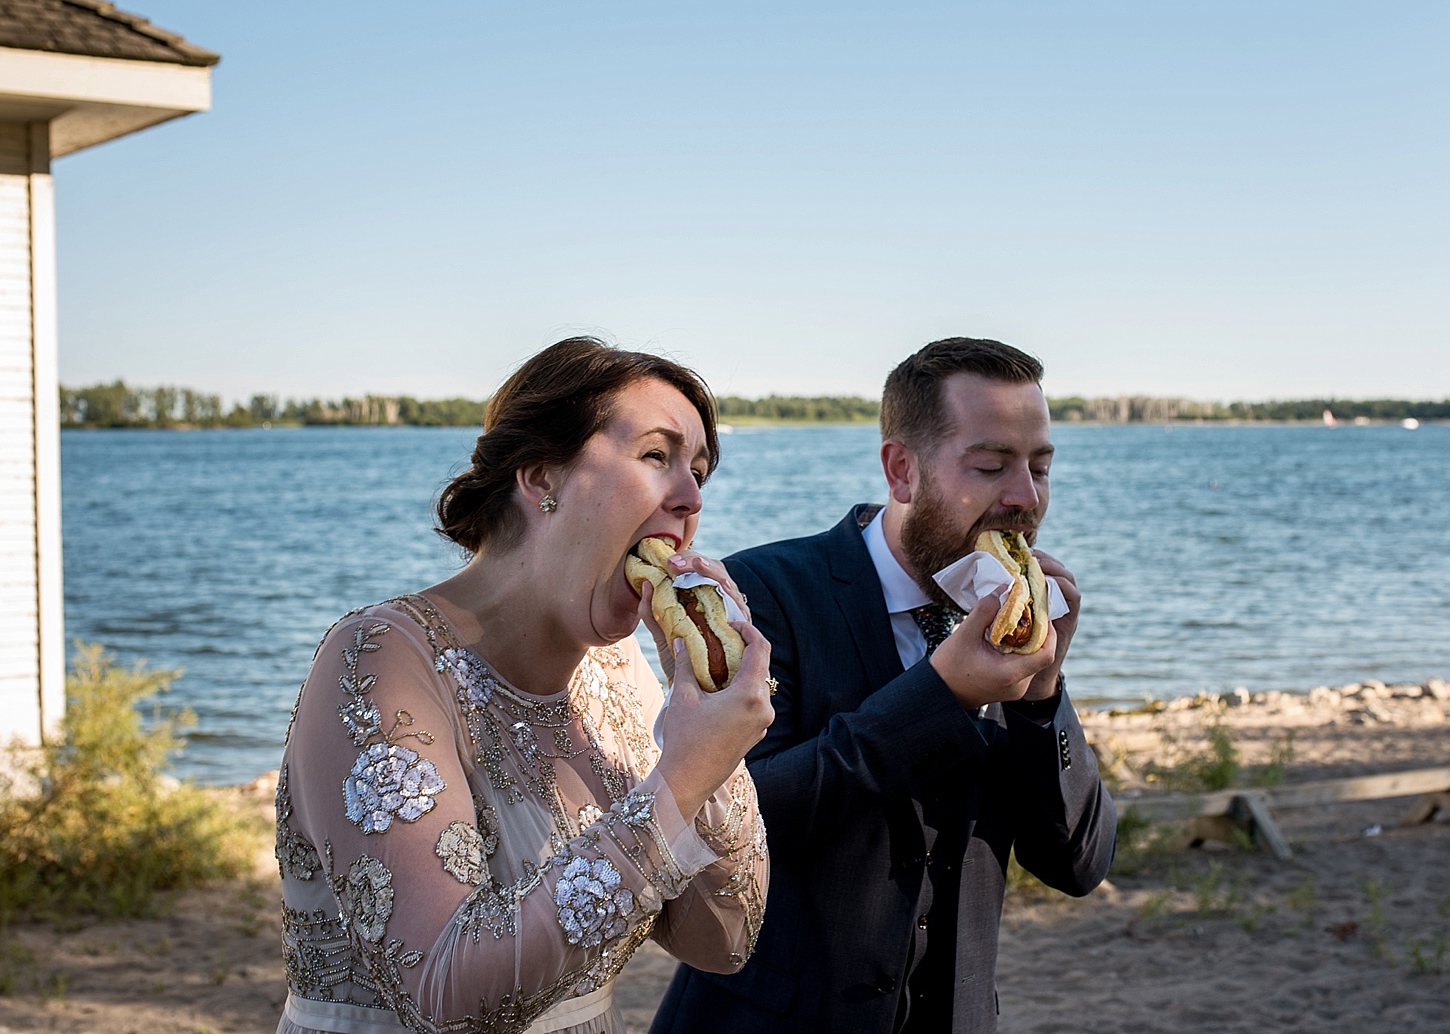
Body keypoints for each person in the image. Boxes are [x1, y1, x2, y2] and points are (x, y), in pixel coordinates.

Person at [275, 337, 773, 1034]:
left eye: (699, 472)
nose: (690, 499)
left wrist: (717, 743)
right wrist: (683, 776)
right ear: (541, 477)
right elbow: (444, 998)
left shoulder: (621, 670)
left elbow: (724, 941)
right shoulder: (378, 660)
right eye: (657, 456)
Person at [653, 336, 1116, 1034]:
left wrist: (1042, 695)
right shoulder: (760, 594)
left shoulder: (1011, 623)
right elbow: (735, 820)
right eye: (991, 467)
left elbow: (1076, 864)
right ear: (902, 470)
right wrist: (941, 694)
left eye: (1040, 468)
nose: (1025, 497)